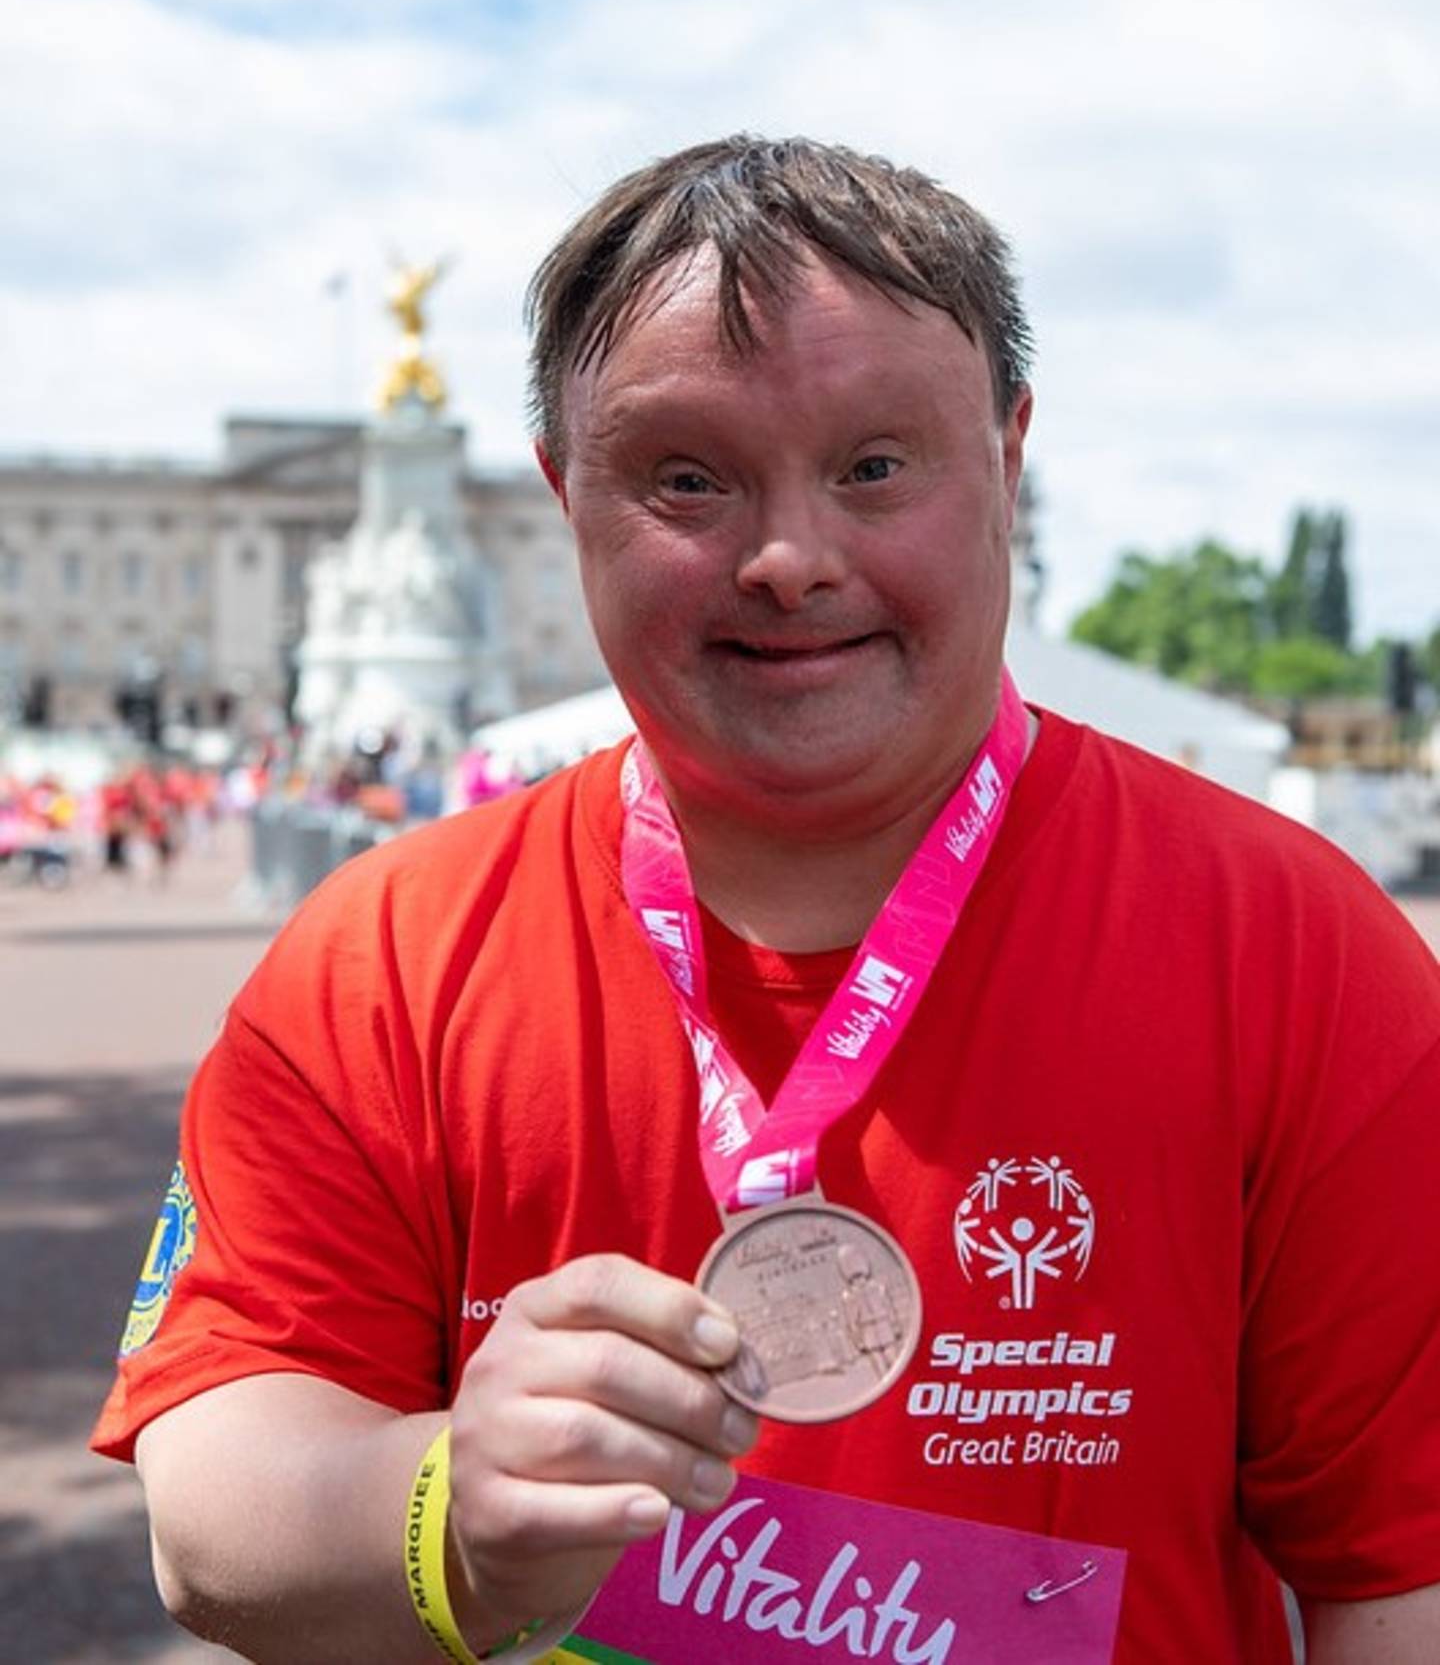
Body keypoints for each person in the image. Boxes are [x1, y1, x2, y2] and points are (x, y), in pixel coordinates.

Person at [94, 136, 1440, 1663]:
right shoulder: (382, 956)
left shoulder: (1303, 951)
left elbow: (1399, 1581)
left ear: (1008, 460)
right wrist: (447, 1505)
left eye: (874, 465)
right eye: (688, 479)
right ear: (567, 497)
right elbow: (207, 1507)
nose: (789, 559)